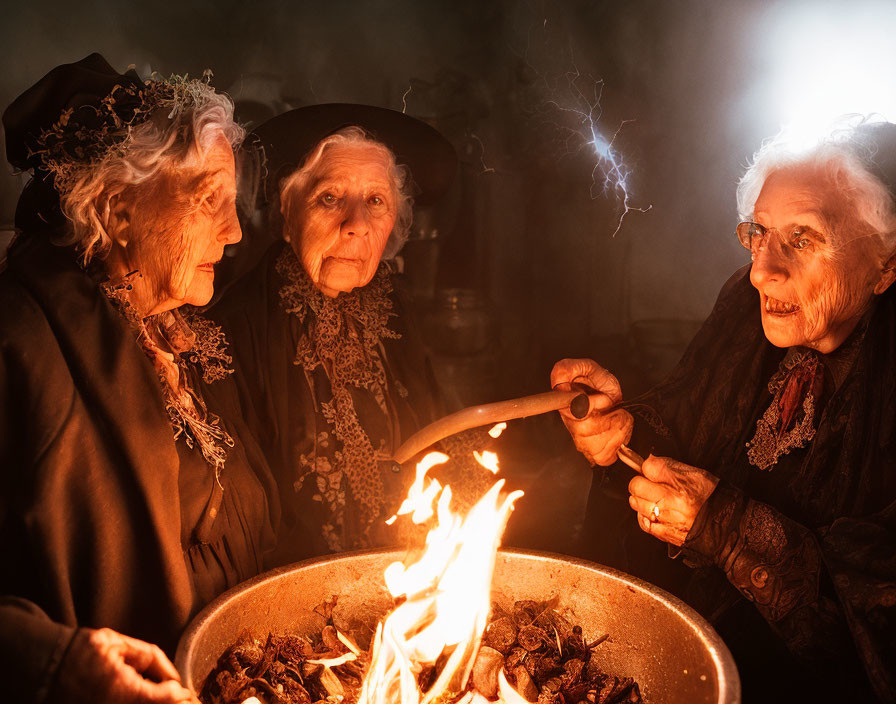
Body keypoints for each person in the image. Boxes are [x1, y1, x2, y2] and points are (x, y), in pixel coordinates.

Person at [552, 118, 896, 702]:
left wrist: (726, 529)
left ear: (886, 266)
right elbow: (685, 421)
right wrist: (622, 430)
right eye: (759, 233)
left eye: (804, 239)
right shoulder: (746, 302)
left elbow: (878, 619)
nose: (764, 270)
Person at [0, 54, 279, 703]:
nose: (235, 230)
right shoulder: (19, 345)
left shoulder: (185, 336)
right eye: (209, 199)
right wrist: (60, 662)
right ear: (116, 206)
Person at [208, 104, 494, 559]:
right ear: (287, 210)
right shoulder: (231, 331)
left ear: (394, 223)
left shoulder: (393, 308)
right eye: (329, 198)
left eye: (376, 201)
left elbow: (441, 436)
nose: (356, 223)